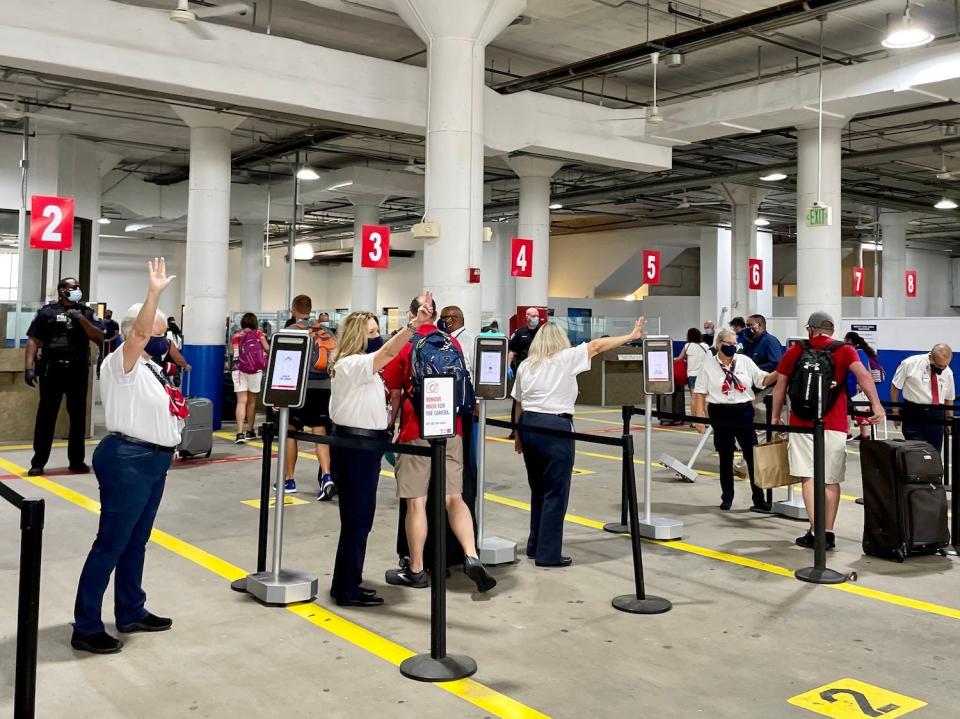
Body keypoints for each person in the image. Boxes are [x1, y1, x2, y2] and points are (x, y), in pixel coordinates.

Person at [71, 257, 183, 654]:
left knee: (137, 541)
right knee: (111, 543)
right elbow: (137, 334)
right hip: (128, 460)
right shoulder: (123, 360)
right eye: (157, 330)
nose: (162, 337)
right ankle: (85, 625)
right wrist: (153, 293)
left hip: (152, 460)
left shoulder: (151, 367)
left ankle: (130, 609)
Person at [383, 294, 496, 593]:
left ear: (411, 315)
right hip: (452, 428)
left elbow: (395, 393)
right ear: (435, 317)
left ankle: (417, 569)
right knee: (454, 498)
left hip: (415, 428)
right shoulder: (452, 343)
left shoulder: (404, 344)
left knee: (416, 503)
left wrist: (389, 425)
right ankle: (471, 555)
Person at [513, 318, 646, 566]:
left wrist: (519, 436)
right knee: (556, 492)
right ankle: (548, 554)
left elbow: (519, 403)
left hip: (529, 425)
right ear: (561, 340)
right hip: (556, 428)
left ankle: (535, 545)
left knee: (538, 490)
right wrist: (630, 336)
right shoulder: (565, 358)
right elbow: (596, 346)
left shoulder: (526, 365)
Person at [328, 298, 433, 607]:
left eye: (378, 331)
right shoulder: (353, 364)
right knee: (358, 520)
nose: (377, 337)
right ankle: (347, 589)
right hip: (356, 448)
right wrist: (413, 324)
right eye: (371, 332)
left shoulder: (356, 365)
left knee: (359, 519)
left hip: (364, 447)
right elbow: (388, 352)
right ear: (358, 335)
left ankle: (346, 581)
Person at [772, 312, 884, 549]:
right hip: (833, 423)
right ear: (832, 330)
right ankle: (829, 532)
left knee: (809, 478)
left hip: (802, 423)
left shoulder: (796, 351)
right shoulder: (844, 350)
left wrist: (775, 416)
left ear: (810, 329)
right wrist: (876, 404)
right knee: (830, 480)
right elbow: (863, 375)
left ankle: (816, 532)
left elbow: (780, 385)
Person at [24, 277, 104, 476]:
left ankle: (76, 462)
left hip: (77, 371)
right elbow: (33, 340)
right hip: (52, 370)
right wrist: (28, 368)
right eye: (73, 287)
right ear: (62, 291)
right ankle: (38, 462)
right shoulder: (47, 312)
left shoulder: (86, 312)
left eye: (78, 287)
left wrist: (81, 319)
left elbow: (99, 337)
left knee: (77, 417)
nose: (77, 290)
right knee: (46, 417)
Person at [691, 330, 777, 512]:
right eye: (728, 344)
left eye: (734, 344)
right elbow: (699, 392)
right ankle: (727, 496)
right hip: (720, 412)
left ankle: (759, 498)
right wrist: (699, 418)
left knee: (752, 455)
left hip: (743, 411)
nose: (732, 347)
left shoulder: (744, 361)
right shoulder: (708, 365)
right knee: (725, 456)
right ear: (719, 343)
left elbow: (762, 380)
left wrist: (781, 371)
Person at [282, 294, 335, 498]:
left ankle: (289, 479)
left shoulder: (290, 331)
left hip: (298, 389)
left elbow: (283, 364)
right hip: (323, 388)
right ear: (311, 310)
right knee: (319, 432)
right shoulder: (326, 331)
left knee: (290, 431)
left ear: (293, 310)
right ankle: (327, 476)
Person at [890, 344, 955, 451]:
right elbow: (895, 387)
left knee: (934, 451)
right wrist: (895, 412)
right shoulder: (910, 364)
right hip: (913, 411)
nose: (942, 369)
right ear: (931, 357)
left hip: (936, 413)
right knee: (914, 451)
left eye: (945, 366)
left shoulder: (948, 372)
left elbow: (949, 398)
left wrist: (949, 420)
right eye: (939, 365)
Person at [230, 312, 269, 444]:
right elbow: (267, 349)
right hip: (255, 370)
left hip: (239, 370)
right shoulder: (259, 334)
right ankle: (250, 431)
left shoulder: (236, 336)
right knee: (251, 402)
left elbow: (233, 352)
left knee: (241, 402)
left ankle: (239, 433)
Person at [507, 308, 542, 439]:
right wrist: (508, 366)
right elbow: (512, 351)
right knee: (518, 399)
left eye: (537, 316)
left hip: (538, 369)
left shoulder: (541, 332)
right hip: (522, 370)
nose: (536, 318)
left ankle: (535, 427)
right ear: (527, 317)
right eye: (533, 316)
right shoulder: (520, 333)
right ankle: (514, 429)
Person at [843, 331, 876, 441]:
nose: (844, 342)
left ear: (850, 341)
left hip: (853, 385)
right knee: (860, 408)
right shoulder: (863, 352)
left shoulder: (856, 352)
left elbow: (860, 371)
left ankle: (847, 433)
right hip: (856, 385)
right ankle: (864, 434)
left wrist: (859, 383)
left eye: (845, 340)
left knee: (847, 409)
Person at [439, 305, 474, 379]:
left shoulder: (471, 342)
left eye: (443, 318)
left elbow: (477, 371)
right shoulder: (443, 339)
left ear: (452, 319)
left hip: (463, 388)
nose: (440, 321)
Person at [97, 308, 121, 378]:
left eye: (109, 313)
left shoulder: (115, 323)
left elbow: (116, 334)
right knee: (101, 357)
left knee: (110, 357)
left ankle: (110, 373)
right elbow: (98, 332)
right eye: (107, 313)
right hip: (102, 343)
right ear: (105, 314)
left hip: (111, 344)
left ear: (111, 314)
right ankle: (99, 373)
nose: (108, 314)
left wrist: (110, 339)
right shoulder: (101, 323)